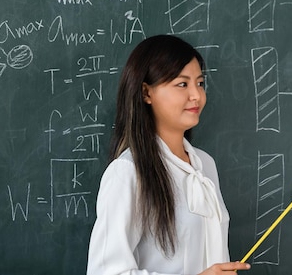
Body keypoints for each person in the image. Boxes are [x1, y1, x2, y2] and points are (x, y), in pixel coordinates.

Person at [87, 34, 251, 275]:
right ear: (146, 93)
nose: (196, 95)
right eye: (182, 84)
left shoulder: (205, 165)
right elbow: (106, 272)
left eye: (200, 83)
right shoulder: (127, 172)